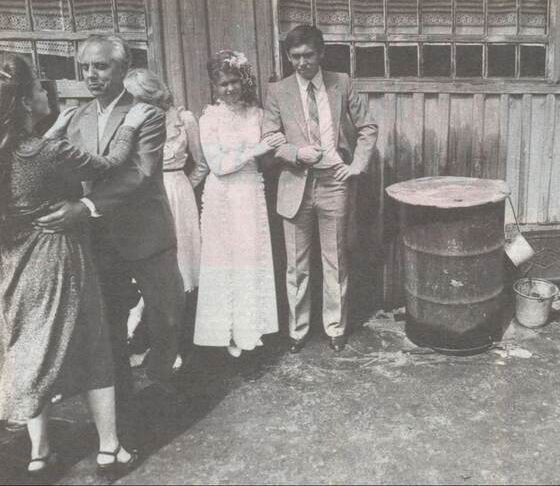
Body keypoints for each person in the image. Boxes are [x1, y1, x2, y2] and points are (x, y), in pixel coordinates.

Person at [0, 54, 151, 477]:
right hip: (59, 260)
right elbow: (112, 163)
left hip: (14, 268)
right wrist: (132, 124)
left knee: (30, 352)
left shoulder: (9, 150)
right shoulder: (49, 151)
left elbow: (28, 159)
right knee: (93, 348)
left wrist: (53, 130)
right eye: (37, 89)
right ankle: (110, 449)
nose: (45, 92)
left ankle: (39, 452)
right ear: (27, 102)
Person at [34, 34, 185, 442]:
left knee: (167, 315)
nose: (92, 75)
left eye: (100, 67)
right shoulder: (76, 117)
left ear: (122, 68)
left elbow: (139, 172)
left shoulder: (145, 114)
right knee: (110, 325)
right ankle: (124, 408)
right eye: (85, 68)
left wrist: (84, 206)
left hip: (146, 234)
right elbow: (60, 167)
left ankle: (162, 378)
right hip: (100, 240)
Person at [262, 25, 378, 353]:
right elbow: (270, 136)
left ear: (321, 53)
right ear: (288, 57)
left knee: (335, 259)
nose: (302, 62)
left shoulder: (341, 83)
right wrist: (296, 153)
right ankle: (297, 331)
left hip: (333, 183)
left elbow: (368, 126)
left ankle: (335, 328)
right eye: (295, 56)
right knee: (296, 265)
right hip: (294, 183)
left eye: (309, 55)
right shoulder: (278, 91)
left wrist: (356, 165)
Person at [193, 50, 284, 357]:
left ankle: (251, 329)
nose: (229, 89)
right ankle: (226, 331)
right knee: (225, 261)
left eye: (234, 82)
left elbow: (271, 151)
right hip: (223, 195)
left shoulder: (256, 114)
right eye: (223, 84)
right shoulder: (209, 119)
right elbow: (217, 165)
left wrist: (270, 149)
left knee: (250, 258)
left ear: (243, 81)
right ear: (214, 87)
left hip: (250, 191)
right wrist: (255, 149)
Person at [123, 68, 208, 365]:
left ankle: (177, 345)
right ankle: (146, 340)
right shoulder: (132, 122)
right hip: (146, 199)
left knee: (180, 269)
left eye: (135, 97)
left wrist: (182, 187)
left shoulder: (184, 120)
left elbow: (201, 165)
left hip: (178, 194)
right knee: (149, 271)